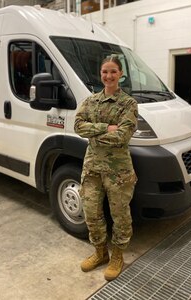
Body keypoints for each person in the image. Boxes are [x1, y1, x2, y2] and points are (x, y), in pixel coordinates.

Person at [74, 55, 138, 281]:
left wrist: (95, 134)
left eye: (113, 71)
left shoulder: (128, 103)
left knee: (119, 214)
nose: (108, 76)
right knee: (91, 212)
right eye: (104, 72)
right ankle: (100, 253)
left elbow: (123, 135)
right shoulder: (90, 101)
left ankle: (117, 255)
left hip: (118, 171)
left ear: (121, 74)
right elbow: (78, 126)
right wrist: (105, 128)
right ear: (100, 74)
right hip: (92, 168)